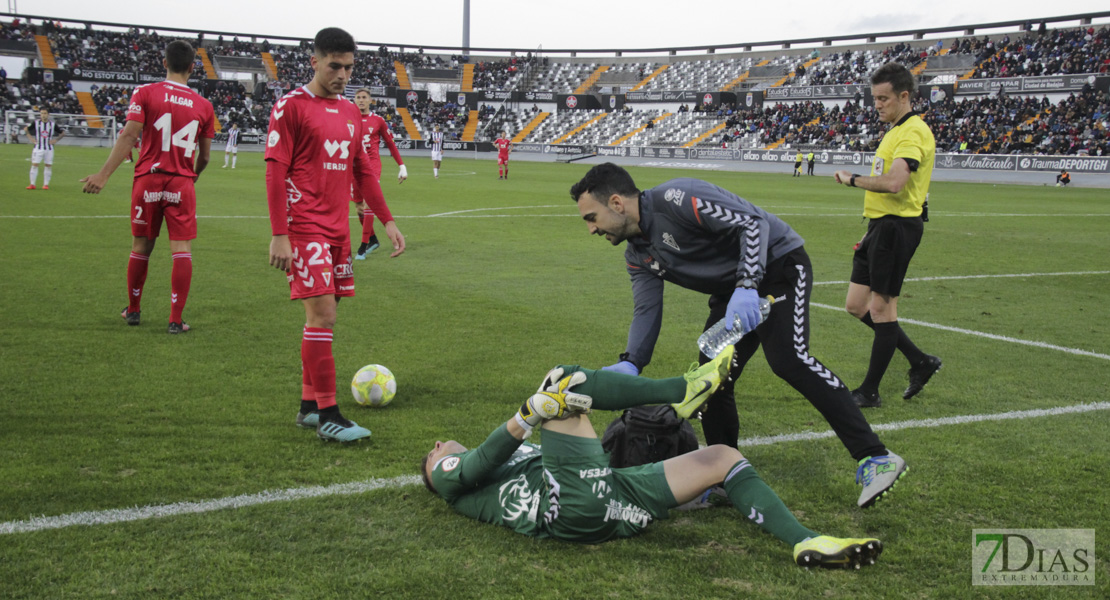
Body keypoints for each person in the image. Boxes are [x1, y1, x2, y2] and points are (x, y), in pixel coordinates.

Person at [569, 162, 907, 509]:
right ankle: (723, 476)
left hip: (779, 266)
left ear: (616, 203)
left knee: (789, 360)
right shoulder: (637, 254)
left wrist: (747, 284)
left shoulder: (678, 197)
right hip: (734, 291)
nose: (591, 229)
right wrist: (631, 362)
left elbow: (752, 223)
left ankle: (876, 457)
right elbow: (646, 310)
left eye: (591, 217)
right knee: (710, 376)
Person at [421, 352, 884, 569]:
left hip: (607, 496)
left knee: (721, 457)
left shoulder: (515, 456)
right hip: (566, 509)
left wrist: (536, 417)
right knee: (561, 380)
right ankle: (680, 390)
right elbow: (476, 464)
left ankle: (807, 541)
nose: (438, 445)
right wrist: (526, 416)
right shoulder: (450, 480)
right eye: (433, 451)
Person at [264, 27, 406, 442]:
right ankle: (329, 415)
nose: (342, 75)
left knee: (325, 317)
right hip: (303, 226)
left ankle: (310, 406)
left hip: (337, 229)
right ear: (315, 62)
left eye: (348, 67)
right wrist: (279, 234)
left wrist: (388, 220)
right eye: (334, 66)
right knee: (322, 315)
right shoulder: (290, 106)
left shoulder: (350, 113)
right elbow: (275, 171)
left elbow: (363, 170)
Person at [80, 40, 215, 335]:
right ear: (193, 68)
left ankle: (134, 310)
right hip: (181, 181)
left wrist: (103, 175)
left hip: (148, 180)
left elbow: (129, 135)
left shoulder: (145, 93)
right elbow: (204, 156)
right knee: (181, 250)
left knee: (141, 247)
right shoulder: (204, 106)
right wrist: (193, 176)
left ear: (164, 63)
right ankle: (176, 320)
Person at [833, 62, 942, 409]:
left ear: (904, 96)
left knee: (882, 309)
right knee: (855, 305)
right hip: (879, 226)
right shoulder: (895, 130)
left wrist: (853, 180)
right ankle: (920, 360)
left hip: (896, 227)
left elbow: (895, 183)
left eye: (883, 98)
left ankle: (869, 391)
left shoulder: (912, 132)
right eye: (874, 98)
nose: (877, 104)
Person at [352, 87, 407, 259]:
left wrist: (401, 166)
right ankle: (373, 239)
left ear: (370, 101)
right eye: (358, 97)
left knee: (369, 204)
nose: (361, 100)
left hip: (372, 166)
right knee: (359, 208)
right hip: (354, 167)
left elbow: (390, 143)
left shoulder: (378, 120)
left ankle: (362, 247)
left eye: (364, 97)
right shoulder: (349, 118)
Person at [25, 108, 65, 190]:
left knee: (48, 166)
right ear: (40, 115)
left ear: (48, 115)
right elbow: (26, 129)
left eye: (45, 113)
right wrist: (31, 139)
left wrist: (56, 140)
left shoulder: (52, 124)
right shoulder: (36, 123)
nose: (43, 115)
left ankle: (46, 185)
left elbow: (63, 133)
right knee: (35, 165)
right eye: (42, 113)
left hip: (49, 149)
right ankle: (32, 184)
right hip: (38, 148)